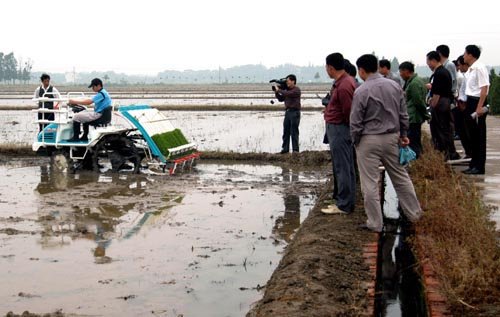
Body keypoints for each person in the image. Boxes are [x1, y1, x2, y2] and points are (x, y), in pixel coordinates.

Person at [350, 54, 422, 233]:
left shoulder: (361, 91)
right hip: (391, 137)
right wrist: (403, 134)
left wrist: (356, 141)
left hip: (368, 140)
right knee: (400, 176)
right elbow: (403, 113)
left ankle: (375, 223)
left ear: (361, 70)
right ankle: (415, 214)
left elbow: (355, 121)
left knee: (370, 182)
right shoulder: (394, 86)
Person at [321, 53, 356, 215]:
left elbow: (349, 112)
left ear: (330, 68)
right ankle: (343, 199)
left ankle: (344, 204)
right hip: (337, 129)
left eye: (326, 67)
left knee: (343, 166)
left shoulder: (344, 85)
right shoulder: (342, 82)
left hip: (340, 130)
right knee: (343, 166)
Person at [426, 51, 460, 161]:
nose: (428, 65)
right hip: (444, 103)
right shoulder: (443, 72)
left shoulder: (440, 73)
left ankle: (446, 154)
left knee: (442, 130)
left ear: (433, 60)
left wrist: (432, 106)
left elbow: (437, 94)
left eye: (428, 62)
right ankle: (448, 153)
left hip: (441, 104)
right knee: (444, 130)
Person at [462, 44, 490, 175]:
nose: (463, 55)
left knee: (479, 135)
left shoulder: (479, 68)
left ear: (471, 55)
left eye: (465, 53)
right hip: (470, 101)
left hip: (477, 102)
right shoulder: (471, 69)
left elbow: (484, 88)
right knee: (471, 135)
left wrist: (479, 107)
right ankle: (473, 163)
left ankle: (479, 166)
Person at [398, 61, 428, 158]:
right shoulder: (413, 81)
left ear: (406, 71)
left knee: (413, 142)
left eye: (401, 72)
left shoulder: (414, 83)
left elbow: (418, 101)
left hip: (413, 117)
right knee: (415, 141)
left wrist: (426, 115)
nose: (400, 75)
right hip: (413, 117)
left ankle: (417, 162)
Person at [274, 74, 301, 153]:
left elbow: (288, 94)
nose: (287, 83)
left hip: (294, 112)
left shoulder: (296, 90)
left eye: (288, 81)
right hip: (288, 112)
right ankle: (285, 149)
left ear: (293, 81)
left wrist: (279, 90)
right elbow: (281, 99)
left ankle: (295, 150)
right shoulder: (287, 90)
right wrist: (276, 92)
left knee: (294, 132)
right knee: (286, 131)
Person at [455, 55, 473, 158]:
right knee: (462, 131)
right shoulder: (465, 75)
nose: (458, 67)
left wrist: (463, 103)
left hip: (466, 106)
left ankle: (470, 152)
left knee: (467, 131)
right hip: (461, 104)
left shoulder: (465, 76)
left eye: (459, 65)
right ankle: (468, 152)